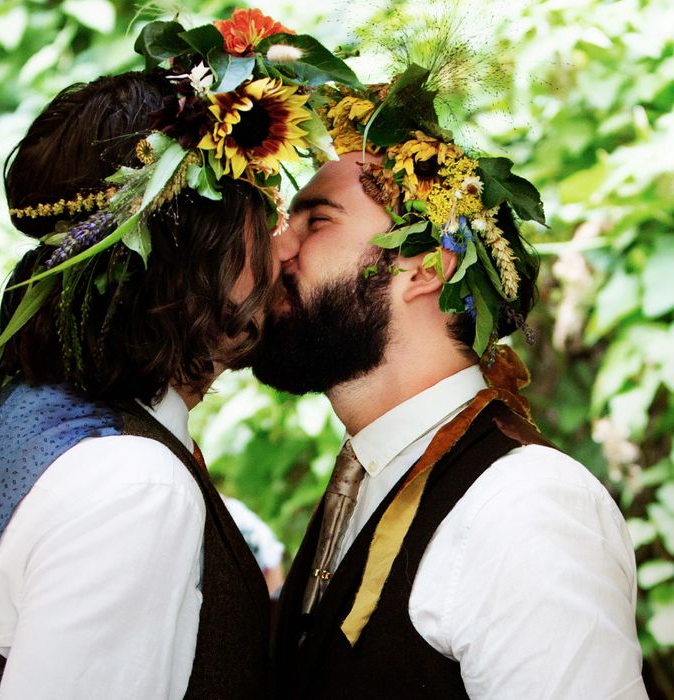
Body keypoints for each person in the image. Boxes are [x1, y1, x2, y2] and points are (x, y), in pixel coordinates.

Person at [0, 9, 360, 698]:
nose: (283, 249)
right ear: (188, 258)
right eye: (260, 221)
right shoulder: (133, 486)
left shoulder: (27, 415)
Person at [252, 65, 647, 698]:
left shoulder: (525, 504)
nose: (277, 249)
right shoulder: (367, 474)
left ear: (426, 268)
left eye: (315, 221)